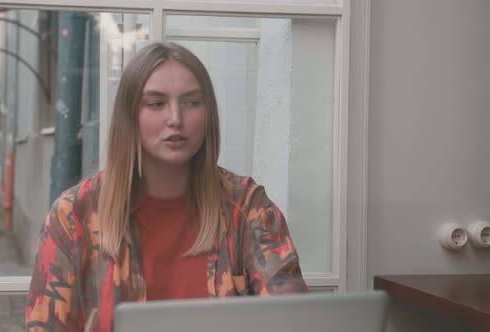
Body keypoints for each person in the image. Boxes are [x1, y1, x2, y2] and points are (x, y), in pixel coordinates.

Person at [26, 42, 308, 332]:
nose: (176, 118)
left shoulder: (248, 208)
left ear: (208, 112)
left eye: (191, 102)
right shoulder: (73, 215)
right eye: (156, 103)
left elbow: (289, 318)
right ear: (129, 115)